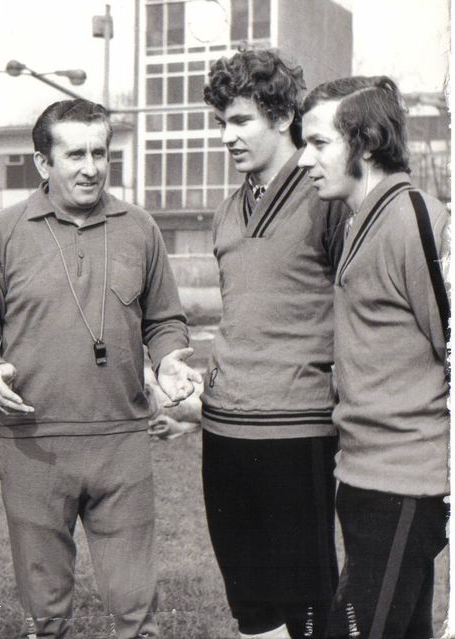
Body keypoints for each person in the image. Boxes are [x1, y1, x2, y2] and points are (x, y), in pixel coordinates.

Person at [0, 98, 200, 639]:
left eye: (100, 152)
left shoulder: (140, 228)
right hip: (34, 443)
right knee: (46, 611)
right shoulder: (2, 232)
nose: (91, 166)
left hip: (121, 440)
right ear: (44, 163)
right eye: (75, 155)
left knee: (135, 607)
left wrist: (167, 360)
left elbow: (165, 320)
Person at [199, 49, 347, 639]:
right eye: (221, 124)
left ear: (283, 115)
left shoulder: (326, 197)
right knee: (251, 606)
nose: (227, 137)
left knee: (308, 606)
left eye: (241, 122)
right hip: (224, 429)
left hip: (297, 429)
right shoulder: (229, 208)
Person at [299, 76, 449, 639]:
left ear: (364, 143)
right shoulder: (363, 218)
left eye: (318, 143)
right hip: (364, 476)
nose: (303, 160)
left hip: (405, 484)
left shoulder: (414, 219)